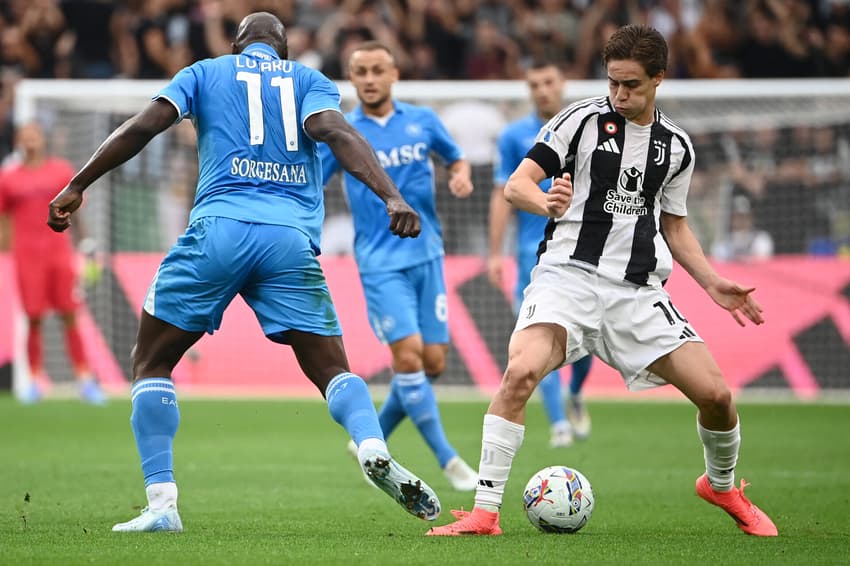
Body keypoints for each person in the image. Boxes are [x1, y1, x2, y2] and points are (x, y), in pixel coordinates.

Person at [47, 12, 441, 533]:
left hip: (220, 231)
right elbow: (335, 132)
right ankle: (370, 444)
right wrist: (392, 195)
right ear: (282, 50)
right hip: (289, 242)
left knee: (151, 360)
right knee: (331, 369)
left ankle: (162, 504)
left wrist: (79, 183)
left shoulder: (205, 71)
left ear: (236, 45)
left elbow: (145, 126)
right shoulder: (307, 80)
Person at [428, 24, 778, 537]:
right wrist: (543, 201)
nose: (619, 94)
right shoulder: (579, 121)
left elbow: (674, 225)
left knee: (718, 397)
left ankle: (720, 484)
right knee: (520, 373)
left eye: (631, 84)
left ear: (659, 79)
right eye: (613, 82)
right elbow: (518, 185)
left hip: (637, 293)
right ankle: (484, 512)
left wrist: (711, 282)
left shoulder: (676, 147)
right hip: (566, 277)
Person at [319, 41, 478, 492]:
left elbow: (455, 156)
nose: (369, 79)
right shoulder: (345, 134)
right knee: (406, 357)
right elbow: (315, 180)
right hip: (379, 262)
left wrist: (460, 173)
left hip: (427, 255)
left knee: (432, 363)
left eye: (377, 70)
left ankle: (374, 435)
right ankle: (448, 460)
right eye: (360, 71)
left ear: (394, 74)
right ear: (351, 79)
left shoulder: (423, 121)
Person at [487, 60, 592, 448]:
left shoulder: (589, 128)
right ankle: (559, 423)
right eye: (534, 85)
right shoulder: (515, 135)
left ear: (563, 83)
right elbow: (504, 196)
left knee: (585, 342)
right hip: (532, 256)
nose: (542, 90)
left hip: (584, 252)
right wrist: (495, 253)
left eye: (548, 82)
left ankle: (576, 392)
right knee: (537, 339)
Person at [0, 122, 106, 405]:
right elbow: (4, 221)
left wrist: (87, 243)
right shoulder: (8, 179)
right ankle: (35, 381)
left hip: (59, 254)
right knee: (33, 318)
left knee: (69, 314)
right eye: (25, 136)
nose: (30, 140)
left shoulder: (61, 171)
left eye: (34, 134)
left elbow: (77, 209)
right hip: (26, 257)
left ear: (42, 139)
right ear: (19, 141)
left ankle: (84, 380)